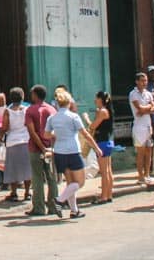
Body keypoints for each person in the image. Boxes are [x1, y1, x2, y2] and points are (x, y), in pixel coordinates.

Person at [46, 89, 102, 219]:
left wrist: (58, 135)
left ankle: (74, 210)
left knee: (70, 182)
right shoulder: (73, 117)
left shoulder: (52, 118)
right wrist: (96, 148)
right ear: (69, 103)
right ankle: (59, 200)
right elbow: (85, 134)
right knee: (80, 182)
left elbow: (46, 134)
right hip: (73, 150)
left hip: (59, 151)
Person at [25, 84, 58, 217]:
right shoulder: (52, 110)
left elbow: (32, 132)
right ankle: (54, 206)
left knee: (37, 178)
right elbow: (55, 131)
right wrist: (50, 147)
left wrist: (42, 148)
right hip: (51, 148)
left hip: (36, 148)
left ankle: (39, 207)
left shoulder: (31, 110)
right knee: (52, 178)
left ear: (35, 95)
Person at [0, 87, 31, 202]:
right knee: (27, 167)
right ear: (22, 97)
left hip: (12, 141)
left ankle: (14, 192)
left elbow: (5, 127)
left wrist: (0, 136)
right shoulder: (27, 110)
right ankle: (27, 192)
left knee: (13, 168)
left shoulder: (8, 111)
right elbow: (29, 124)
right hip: (26, 140)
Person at [129, 72, 154, 185]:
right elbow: (138, 108)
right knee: (140, 152)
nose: (145, 83)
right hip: (139, 127)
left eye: (145, 81)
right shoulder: (133, 94)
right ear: (137, 81)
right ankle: (140, 176)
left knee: (149, 151)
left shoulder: (148, 94)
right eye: (142, 80)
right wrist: (148, 108)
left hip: (148, 125)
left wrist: (146, 109)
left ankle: (147, 175)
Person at [89, 91, 114, 204]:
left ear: (101, 99)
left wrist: (86, 118)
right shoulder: (107, 111)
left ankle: (104, 196)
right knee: (108, 170)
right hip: (107, 141)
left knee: (104, 172)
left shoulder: (103, 111)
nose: (95, 100)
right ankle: (109, 194)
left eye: (96, 98)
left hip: (102, 143)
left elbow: (93, 126)